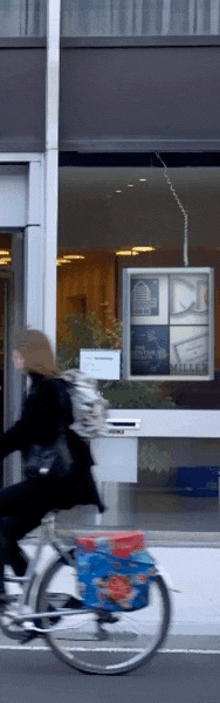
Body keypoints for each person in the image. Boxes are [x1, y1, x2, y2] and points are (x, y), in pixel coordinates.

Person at [0, 327, 105, 603]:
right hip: (55, 483)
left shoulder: (46, 389)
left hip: (54, 483)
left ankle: (12, 596)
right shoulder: (46, 386)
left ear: (28, 354)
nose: (13, 356)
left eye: (17, 351)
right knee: (6, 532)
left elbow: (25, 431)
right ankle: (37, 603)